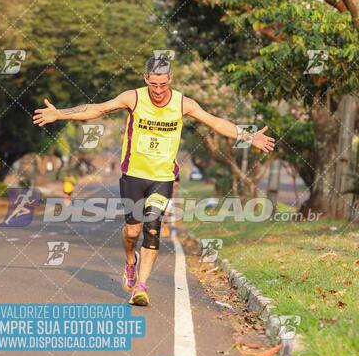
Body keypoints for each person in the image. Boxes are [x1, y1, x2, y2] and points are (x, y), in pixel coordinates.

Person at [33, 57, 275, 306]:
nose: (158, 90)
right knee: (132, 231)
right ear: (145, 79)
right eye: (153, 84)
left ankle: (141, 286)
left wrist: (248, 136)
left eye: (163, 84)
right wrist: (60, 114)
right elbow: (98, 109)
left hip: (163, 177)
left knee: (151, 228)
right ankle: (130, 261)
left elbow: (215, 122)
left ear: (169, 79)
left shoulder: (183, 103)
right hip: (134, 175)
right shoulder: (133, 98)